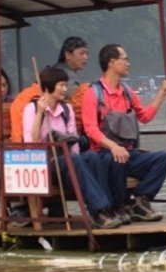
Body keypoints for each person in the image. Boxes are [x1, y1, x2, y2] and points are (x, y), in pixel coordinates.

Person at [81, 44, 166, 222]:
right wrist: (114, 146)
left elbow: (144, 117)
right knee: (117, 159)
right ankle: (118, 206)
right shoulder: (93, 94)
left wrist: (162, 93)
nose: (128, 63)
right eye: (125, 59)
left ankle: (140, 200)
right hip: (104, 154)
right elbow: (90, 129)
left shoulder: (127, 93)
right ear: (112, 62)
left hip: (128, 153)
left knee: (164, 158)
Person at [23, 66, 122, 229]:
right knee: (75, 160)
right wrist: (41, 113)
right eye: (61, 85)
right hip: (44, 162)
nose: (65, 89)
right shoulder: (32, 109)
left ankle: (107, 209)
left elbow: (74, 140)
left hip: (67, 161)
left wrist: (76, 158)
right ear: (48, 87)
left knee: (91, 157)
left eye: (65, 85)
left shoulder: (66, 109)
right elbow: (30, 143)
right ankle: (98, 211)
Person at [10, 35, 89, 143]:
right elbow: (31, 140)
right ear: (68, 55)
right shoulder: (62, 75)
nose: (85, 57)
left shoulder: (64, 73)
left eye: (87, 54)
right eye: (82, 53)